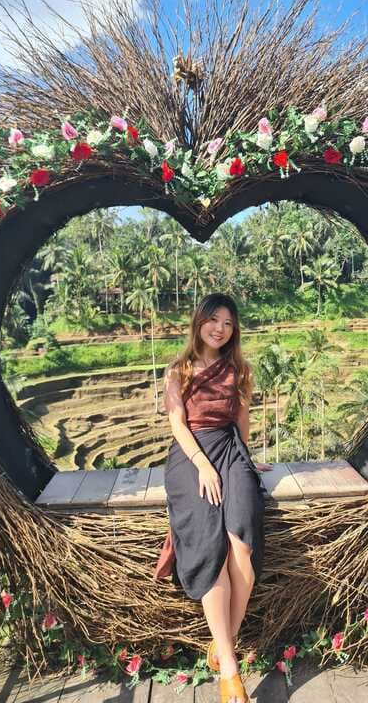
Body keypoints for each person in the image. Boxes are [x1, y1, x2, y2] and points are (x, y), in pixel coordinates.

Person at [157, 292, 269, 703]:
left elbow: (241, 423)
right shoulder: (179, 370)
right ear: (199, 322)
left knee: (242, 548)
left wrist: (246, 462)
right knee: (210, 547)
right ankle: (231, 672)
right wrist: (203, 465)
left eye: (228, 322)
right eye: (213, 320)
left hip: (230, 451)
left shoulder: (239, 369)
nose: (220, 328)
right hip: (190, 457)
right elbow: (177, 424)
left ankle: (224, 645)